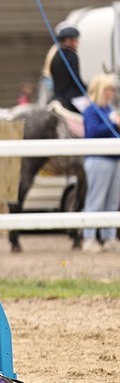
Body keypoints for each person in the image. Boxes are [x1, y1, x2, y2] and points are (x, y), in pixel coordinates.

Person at [80, 74, 120, 253]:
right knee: (95, 200)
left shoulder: (109, 110)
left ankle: (109, 237)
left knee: (112, 202)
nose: (112, 93)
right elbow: (92, 132)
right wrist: (113, 123)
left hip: (114, 159)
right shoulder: (91, 111)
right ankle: (89, 238)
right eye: (109, 90)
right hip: (98, 159)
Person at [49, 25, 84, 113]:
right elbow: (76, 79)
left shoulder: (56, 55)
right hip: (71, 99)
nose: (77, 43)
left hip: (57, 97)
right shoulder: (72, 56)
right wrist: (87, 90)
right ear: (68, 41)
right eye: (76, 40)